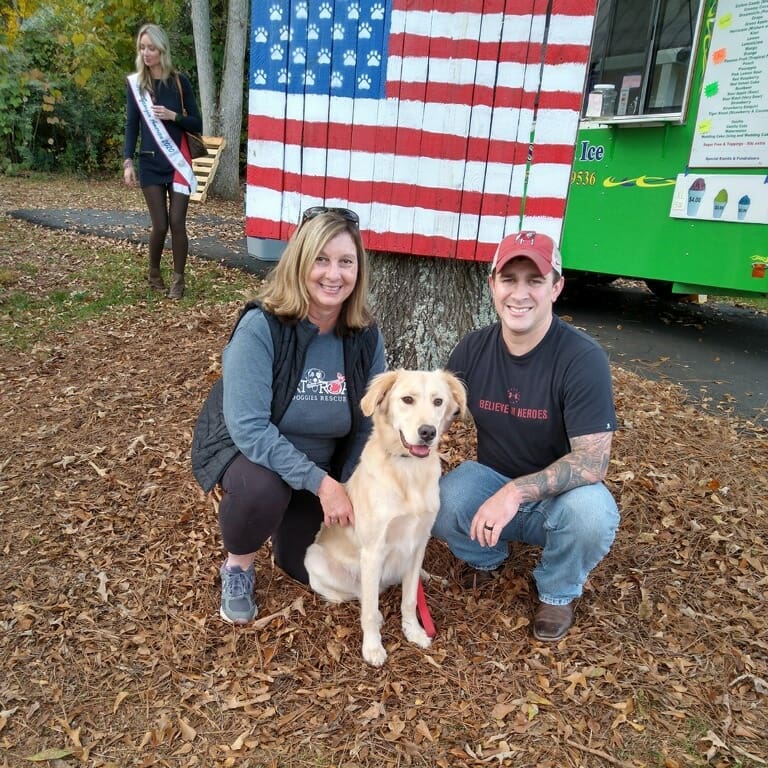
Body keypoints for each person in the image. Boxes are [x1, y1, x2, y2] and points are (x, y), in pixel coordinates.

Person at [191, 207, 387, 624]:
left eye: (345, 262)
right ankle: (238, 566)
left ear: (359, 270)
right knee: (264, 492)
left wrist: (350, 483)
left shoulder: (366, 336)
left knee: (311, 570)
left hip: (326, 464)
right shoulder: (262, 327)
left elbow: (373, 421)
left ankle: (289, 522)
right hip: (253, 455)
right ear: (300, 262)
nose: (333, 274)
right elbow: (249, 427)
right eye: (321, 259)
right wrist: (322, 485)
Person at [432, 230, 619, 642]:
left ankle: (557, 590)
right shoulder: (472, 349)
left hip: (562, 498)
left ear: (556, 288)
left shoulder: (582, 358)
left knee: (592, 516)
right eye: (509, 279)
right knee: (441, 499)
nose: (520, 293)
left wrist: (514, 493)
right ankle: (485, 557)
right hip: (492, 481)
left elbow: (592, 462)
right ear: (492, 285)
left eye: (534, 280)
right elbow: (435, 421)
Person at [123, 23, 202, 300]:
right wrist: (127, 161)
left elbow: (197, 122)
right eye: (142, 48)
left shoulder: (180, 82)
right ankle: (154, 273)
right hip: (150, 164)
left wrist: (173, 116)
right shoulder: (136, 86)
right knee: (160, 225)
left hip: (178, 161)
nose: (146, 53)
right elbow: (132, 125)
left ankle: (178, 280)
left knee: (177, 222)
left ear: (162, 49)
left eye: (151, 48)